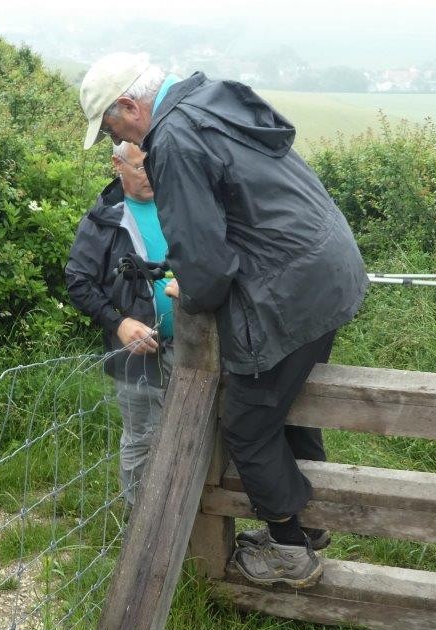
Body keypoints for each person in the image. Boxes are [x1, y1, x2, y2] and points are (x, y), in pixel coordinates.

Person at [78, 53, 368, 588]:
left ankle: (290, 550)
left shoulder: (175, 139)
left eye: (113, 129)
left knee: (246, 423)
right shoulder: (212, 99)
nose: (121, 143)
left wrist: (191, 291)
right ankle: (309, 526)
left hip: (289, 288)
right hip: (328, 267)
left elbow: (205, 266)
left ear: (128, 106)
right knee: (285, 402)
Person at [65, 140, 175, 508]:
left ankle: (184, 519)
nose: (151, 175)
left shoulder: (180, 204)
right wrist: (118, 322)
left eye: (156, 164)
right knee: (142, 436)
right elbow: (78, 281)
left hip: (193, 345)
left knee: (190, 431)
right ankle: (140, 524)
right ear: (117, 164)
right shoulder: (104, 218)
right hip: (135, 354)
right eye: (142, 166)